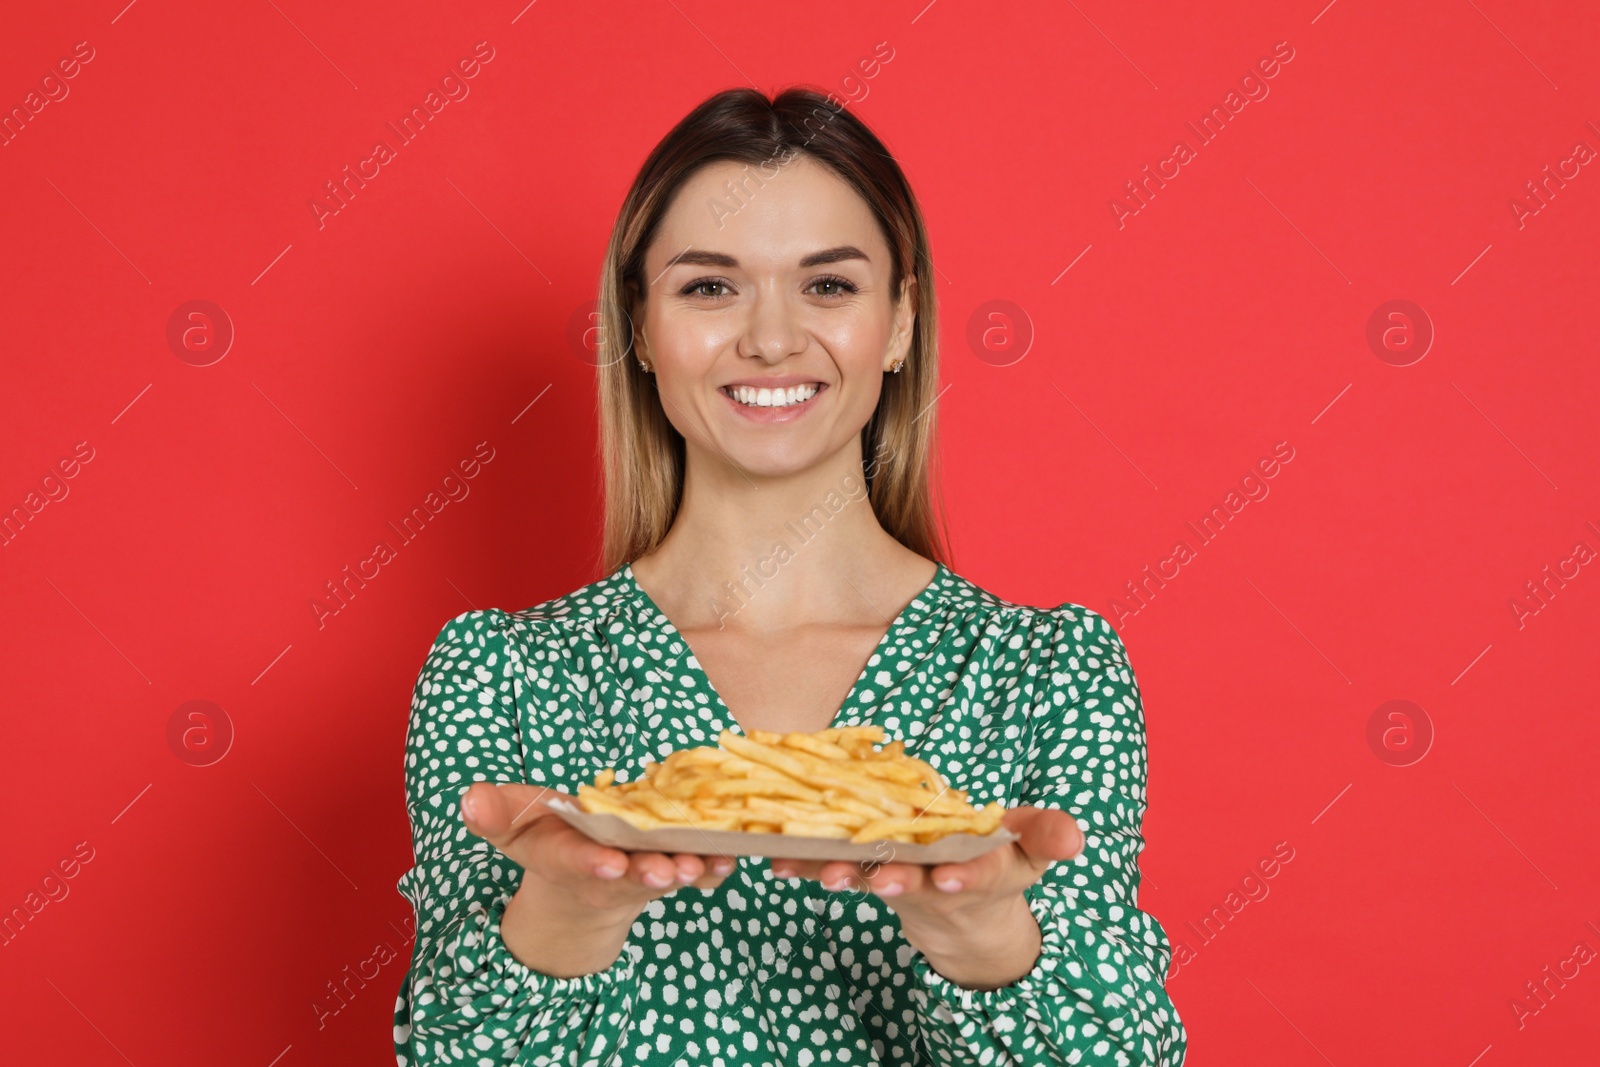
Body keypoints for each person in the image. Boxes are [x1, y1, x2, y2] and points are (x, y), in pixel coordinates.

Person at [392, 86, 1187, 1066]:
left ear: (899, 324)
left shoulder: (1046, 672)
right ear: (638, 328)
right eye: (709, 287)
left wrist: (983, 937)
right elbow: (448, 1051)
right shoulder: (501, 674)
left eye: (827, 286)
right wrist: (568, 908)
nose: (770, 338)